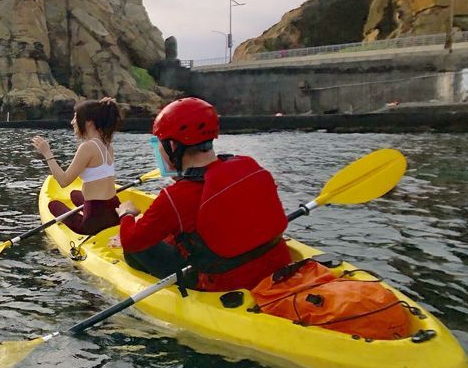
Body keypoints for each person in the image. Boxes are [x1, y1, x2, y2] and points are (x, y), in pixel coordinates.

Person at [113, 97, 291, 292]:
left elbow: (131, 241)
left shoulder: (175, 196)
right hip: (277, 265)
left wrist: (127, 215)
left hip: (221, 283)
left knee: (134, 250)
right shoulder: (248, 164)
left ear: (172, 146)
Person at [32, 97, 122, 235]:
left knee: (53, 205)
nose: (73, 122)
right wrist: (102, 107)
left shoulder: (87, 147)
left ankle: (83, 221)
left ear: (89, 123)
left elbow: (63, 181)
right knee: (75, 194)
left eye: (76, 117)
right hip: (115, 209)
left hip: (95, 220)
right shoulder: (108, 144)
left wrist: (47, 153)